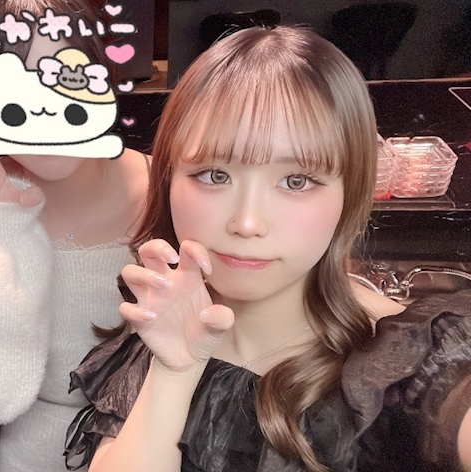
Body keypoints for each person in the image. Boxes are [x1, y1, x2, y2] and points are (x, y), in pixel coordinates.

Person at [64, 25, 471, 472]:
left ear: (349, 193)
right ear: (167, 181)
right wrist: (173, 372)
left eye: (296, 181)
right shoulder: (160, 327)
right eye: (215, 175)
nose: (247, 223)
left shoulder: (413, 366)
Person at [0, 0, 150, 470]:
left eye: (64, 77)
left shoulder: (163, 188)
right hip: (29, 450)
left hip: (154, 441)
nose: (44, 108)